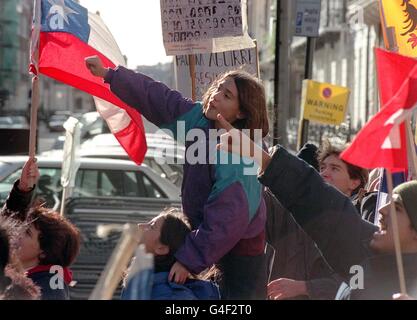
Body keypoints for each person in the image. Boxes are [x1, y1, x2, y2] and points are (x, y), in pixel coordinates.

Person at [85, 56, 269, 299]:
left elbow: (226, 220)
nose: (215, 96)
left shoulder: (240, 155)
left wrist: (188, 261)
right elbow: (159, 99)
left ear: (242, 111)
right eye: (218, 88)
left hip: (238, 260)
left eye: (227, 96)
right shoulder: (200, 120)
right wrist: (110, 75)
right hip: (207, 245)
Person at [216, 114, 417, 299]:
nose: (382, 211)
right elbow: (317, 200)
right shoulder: (364, 250)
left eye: (397, 208)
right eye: (322, 167)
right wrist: (260, 157)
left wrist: (306, 287)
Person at [2, 157, 81, 300]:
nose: (15, 232)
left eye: (26, 231)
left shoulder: (49, 289)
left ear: (43, 252)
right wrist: (22, 191)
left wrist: (22, 191)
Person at [122, 209, 220, 300]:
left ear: (162, 248)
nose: (140, 225)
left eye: (151, 226)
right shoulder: (139, 282)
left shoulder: (171, 296)